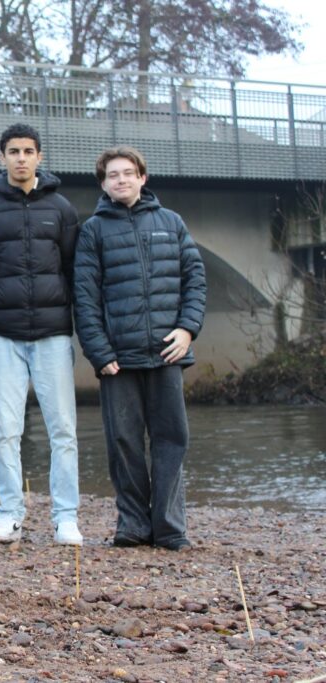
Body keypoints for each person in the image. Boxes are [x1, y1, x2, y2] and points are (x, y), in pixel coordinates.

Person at [73, 146, 206, 551]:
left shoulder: (172, 222)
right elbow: (85, 297)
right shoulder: (93, 231)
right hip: (119, 360)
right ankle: (132, 525)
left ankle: (168, 527)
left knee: (171, 439)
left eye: (128, 173)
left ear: (142, 178)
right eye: (113, 175)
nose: (121, 180)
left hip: (168, 353)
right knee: (124, 443)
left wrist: (187, 330)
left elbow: (195, 281)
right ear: (103, 183)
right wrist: (100, 352)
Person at [0, 123, 83, 546]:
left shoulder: (63, 211)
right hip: (4, 338)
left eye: (28, 151)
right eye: (13, 151)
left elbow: (72, 269)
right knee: (5, 429)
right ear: (2, 157)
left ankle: (65, 517)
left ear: (40, 156)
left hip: (52, 335)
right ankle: (10, 514)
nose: (20, 158)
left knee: (63, 429)